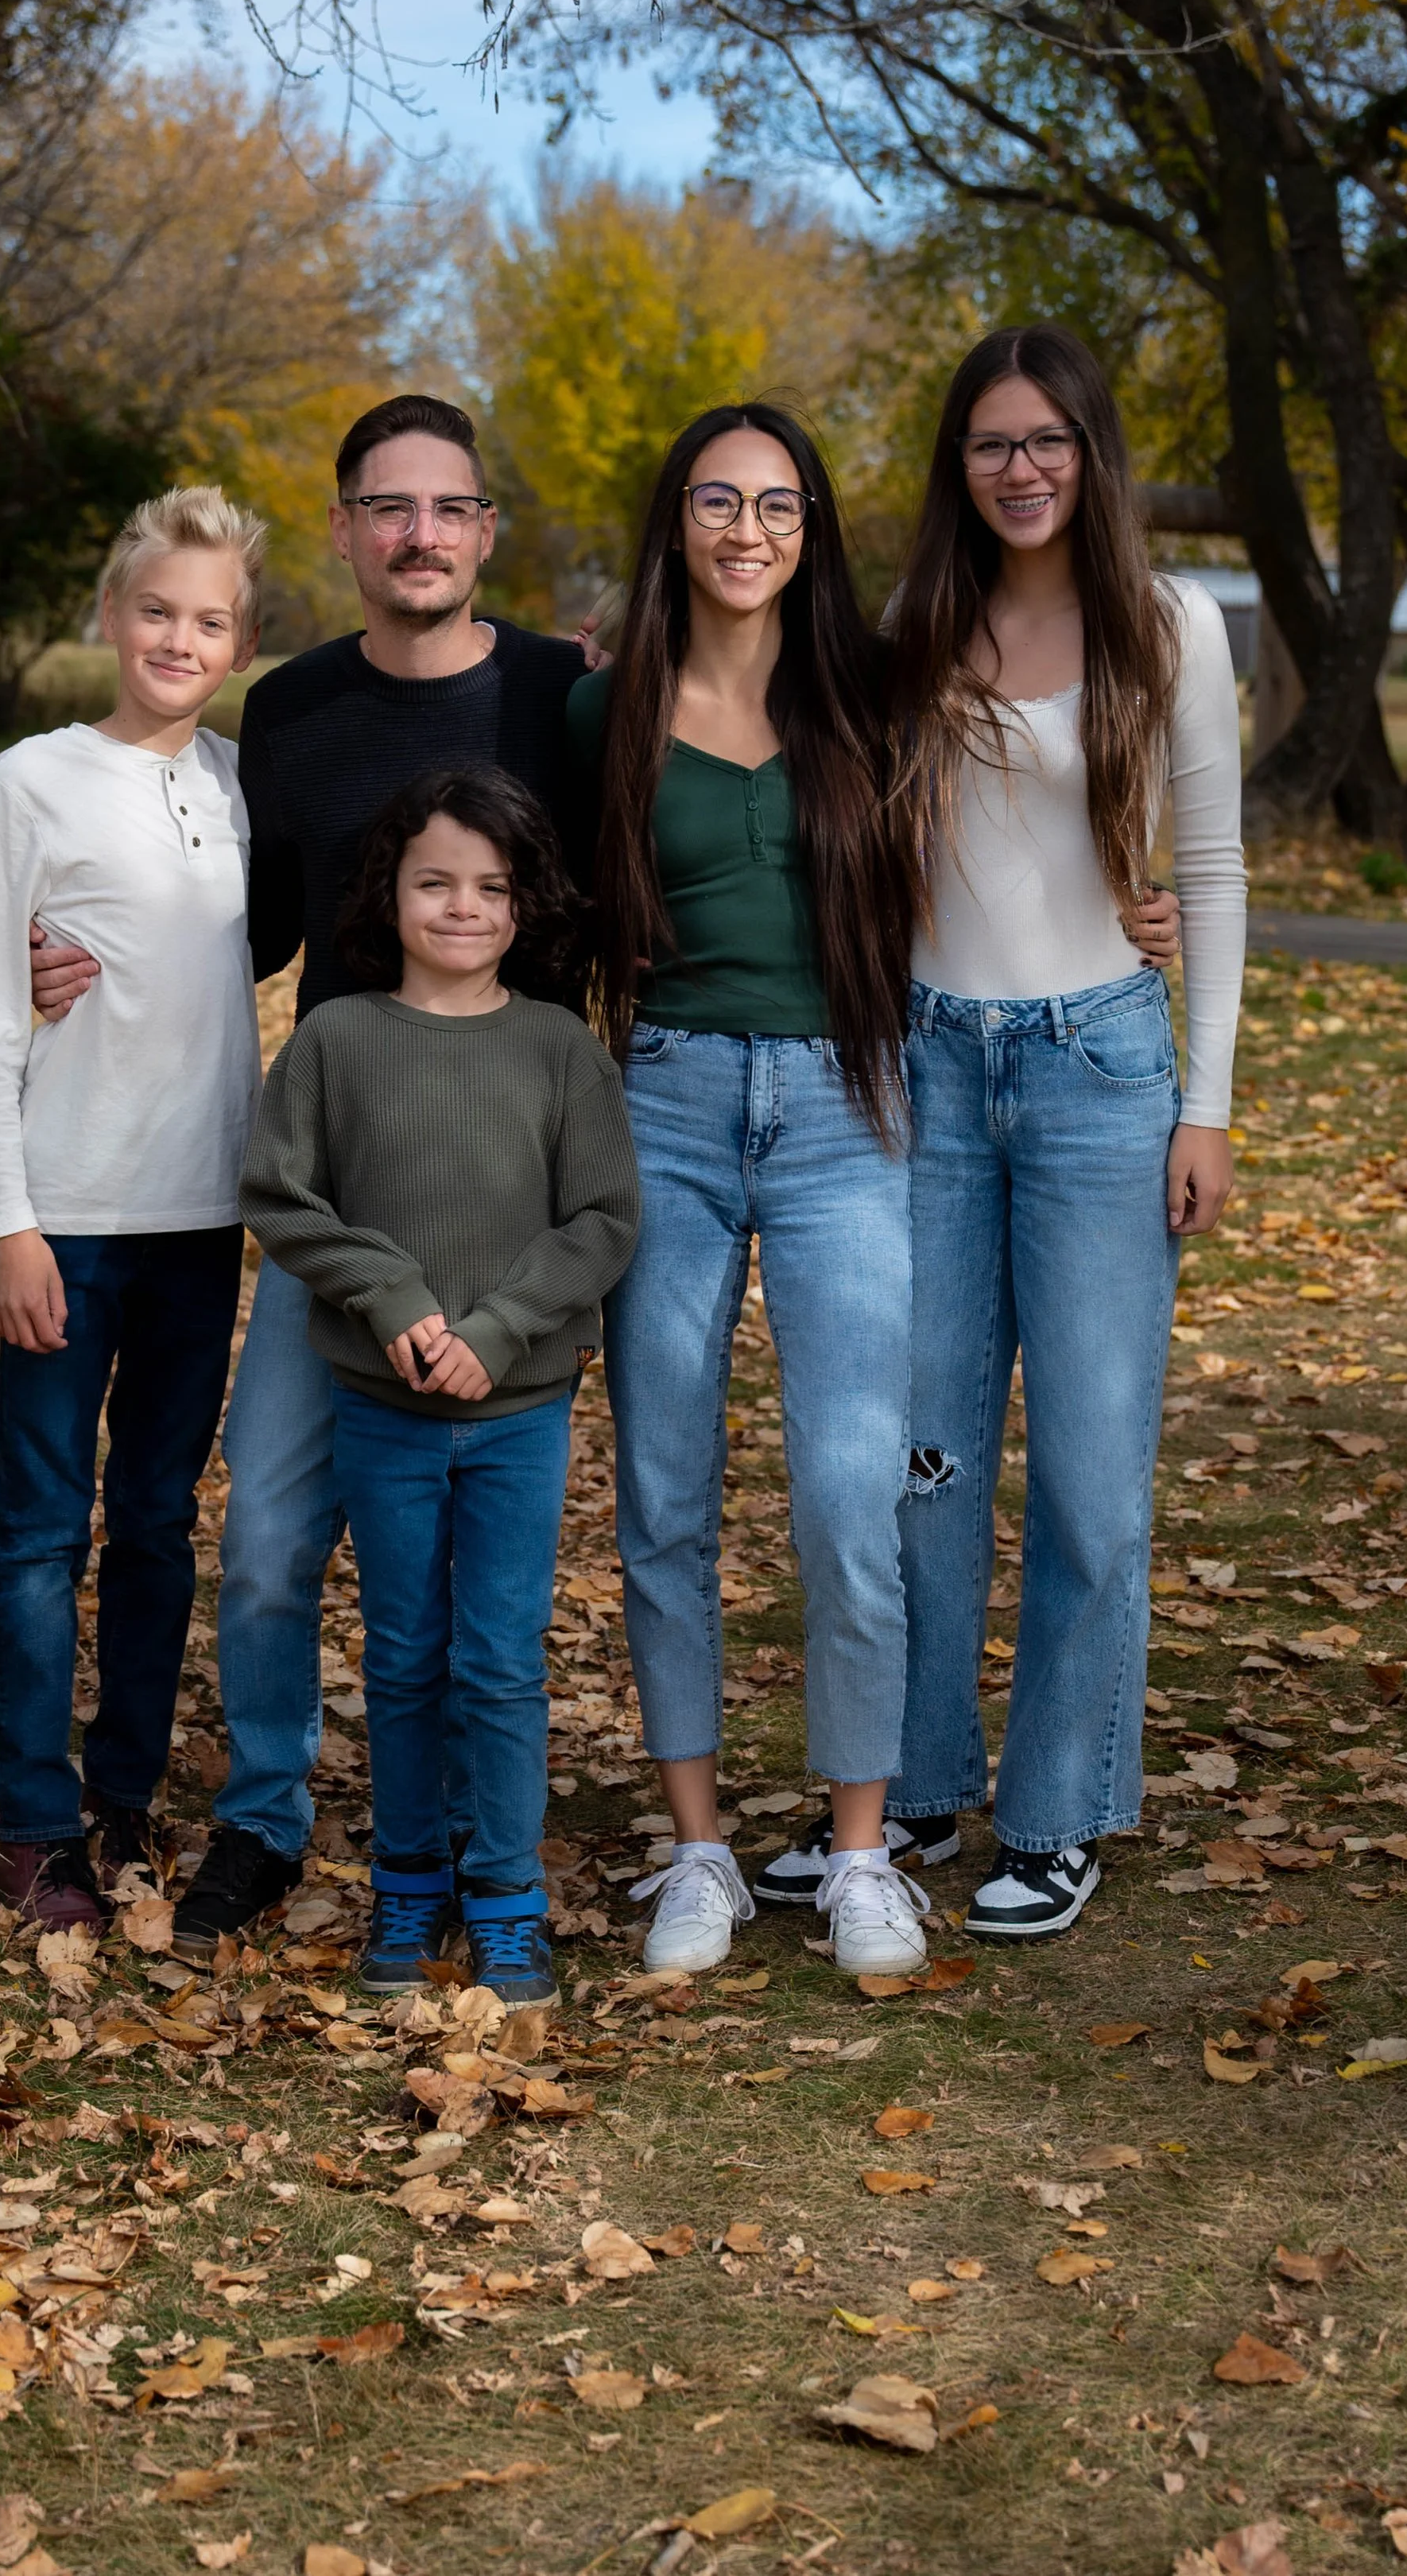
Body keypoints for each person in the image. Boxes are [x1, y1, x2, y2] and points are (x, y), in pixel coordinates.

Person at [27, 394, 590, 1953]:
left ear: (483, 529)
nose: (419, 533)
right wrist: (68, 937)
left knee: (485, 1587)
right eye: (387, 507)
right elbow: (243, 926)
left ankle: (488, 1850)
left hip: (512, 1197)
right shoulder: (288, 710)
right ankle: (265, 1817)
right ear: (343, 528)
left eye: (449, 508)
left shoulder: (561, 690)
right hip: (336, 1203)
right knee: (268, 1540)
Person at [565, 401, 941, 1979]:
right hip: (662, 1100)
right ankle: (700, 1845)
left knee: (851, 1494)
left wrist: (1136, 912)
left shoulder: (867, 691)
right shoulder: (607, 708)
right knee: (661, 1482)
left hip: (843, 1106)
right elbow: (542, 894)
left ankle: (858, 1851)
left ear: (809, 526)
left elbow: (991, 844)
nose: (742, 528)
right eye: (714, 499)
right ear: (675, 520)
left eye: (774, 502)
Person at [886, 324, 1245, 1941]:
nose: (1018, 469)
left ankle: (1054, 1808)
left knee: (1091, 1475)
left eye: (1045, 440)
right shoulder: (910, 621)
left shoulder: (1169, 625)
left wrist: (1207, 1101)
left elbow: (1216, 870)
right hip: (930, 1069)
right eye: (987, 444)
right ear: (954, 465)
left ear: (1087, 453)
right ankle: (911, 1780)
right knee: (923, 1455)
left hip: (1101, 1075)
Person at [241, 770, 638, 2002]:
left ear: (525, 904)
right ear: (390, 892)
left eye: (491, 886)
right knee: (405, 1653)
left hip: (516, 1410)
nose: (462, 907)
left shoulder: (558, 1049)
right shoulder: (337, 1040)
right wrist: (398, 1298)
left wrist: (503, 1323)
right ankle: (410, 1883)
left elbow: (604, 1218)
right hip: (385, 1405)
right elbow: (280, 1195)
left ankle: (508, 1890)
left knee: (501, 1658)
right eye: (435, 883)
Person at [0, 486, 265, 1932]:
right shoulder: (33, 777)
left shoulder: (234, 783)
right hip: (67, 1213)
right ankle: (35, 1823)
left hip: (203, 1218)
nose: (179, 638)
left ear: (240, 636)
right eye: (156, 610)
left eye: (209, 619)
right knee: (41, 1527)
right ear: (109, 615)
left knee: (155, 1521)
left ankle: (122, 1793)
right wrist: (4, 1222)